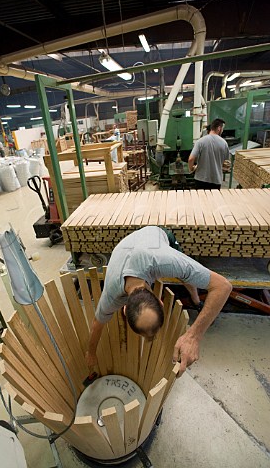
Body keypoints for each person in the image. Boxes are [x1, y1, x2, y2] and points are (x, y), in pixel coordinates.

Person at [86, 226, 232, 377]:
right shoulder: (111, 294)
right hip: (127, 245)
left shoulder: (167, 262)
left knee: (186, 276)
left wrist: (193, 336)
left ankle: (195, 301)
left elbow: (223, 286)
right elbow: (97, 323)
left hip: (156, 234)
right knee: (184, 273)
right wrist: (90, 353)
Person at [188, 118, 229, 190]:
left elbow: (191, 159)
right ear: (219, 128)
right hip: (216, 180)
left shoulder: (200, 141)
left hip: (200, 180)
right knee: (213, 201)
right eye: (222, 129)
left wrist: (191, 169)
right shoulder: (224, 143)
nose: (222, 131)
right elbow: (225, 163)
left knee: (201, 200)